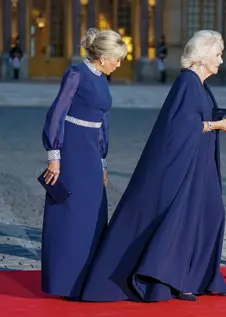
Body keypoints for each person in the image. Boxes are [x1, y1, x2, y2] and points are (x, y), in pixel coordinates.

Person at [80, 30, 226, 302]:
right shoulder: (187, 82)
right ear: (201, 58)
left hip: (200, 163)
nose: (221, 61)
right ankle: (176, 281)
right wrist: (215, 125)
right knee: (186, 219)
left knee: (211, 215)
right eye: (217, 55)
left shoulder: (200, 84)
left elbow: (198, 116)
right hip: (184, 166)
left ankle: (198, 278)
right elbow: (179, 126)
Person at [41, 28, 127, 299]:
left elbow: (104, 123)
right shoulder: (76, 74)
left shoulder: (103, 78)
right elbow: (58, 111)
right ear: (102, 56)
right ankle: (64, 281)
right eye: (117, 58)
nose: (119, 64)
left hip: (91, 154)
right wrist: (54, 156)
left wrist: (102, 161)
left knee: (92, 214)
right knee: (70, 215)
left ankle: (86, 277)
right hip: (72, 153)